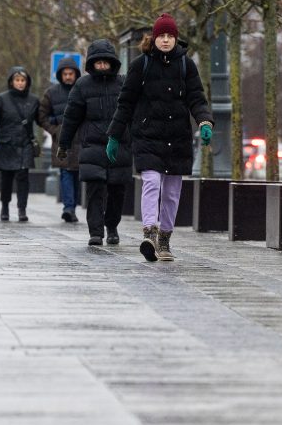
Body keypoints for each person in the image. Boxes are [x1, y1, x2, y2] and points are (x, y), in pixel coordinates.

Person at [107, 14, 213, 262]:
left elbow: (196, 98)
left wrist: (205, 121)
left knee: (173, 192)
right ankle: (150, 232)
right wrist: (114, 134)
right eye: (161, 36)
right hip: (147, 135)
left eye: (170, 36)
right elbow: (125, 103)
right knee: (152, 182)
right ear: (153, 38)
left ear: (175, 39)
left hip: (177, 137)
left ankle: (164, 238)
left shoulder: (187, 66)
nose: (165, 40)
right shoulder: (140, 66)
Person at [58, 40, 132, 246]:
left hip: (120, 146)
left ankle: (112, 226)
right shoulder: (82, 86)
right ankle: (96, 232)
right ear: (91, 63)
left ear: (112, 62)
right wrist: (63, 144)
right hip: (92, 147)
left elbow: (132, 114)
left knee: (117, 192)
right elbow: (71, 117)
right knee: (95, 192)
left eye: (105, 62)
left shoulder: (123, 83)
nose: (101, 66)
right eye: (97, 62)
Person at [0, 66, 39, 222]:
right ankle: (5, 207)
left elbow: (42, 119)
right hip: (6, 144)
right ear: (11, 82)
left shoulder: (34, 100)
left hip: (25, 144)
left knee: (23, 178)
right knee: (6, 178)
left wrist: (57, 125)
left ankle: (22, 209)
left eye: (23, 80)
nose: (20, 83)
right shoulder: (2, 99)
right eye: (17, 80)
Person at [39, 56, 81, 223]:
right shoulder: (51, 93)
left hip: (80, 139)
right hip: (61, 139)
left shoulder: (82, 89)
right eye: (65, 74)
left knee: (77, 173)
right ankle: (68, 208)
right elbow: (42, 115)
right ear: (60, 75)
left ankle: (72, 207)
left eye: (71, 73)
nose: (68, 76)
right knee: (65, 172)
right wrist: (54, 130)